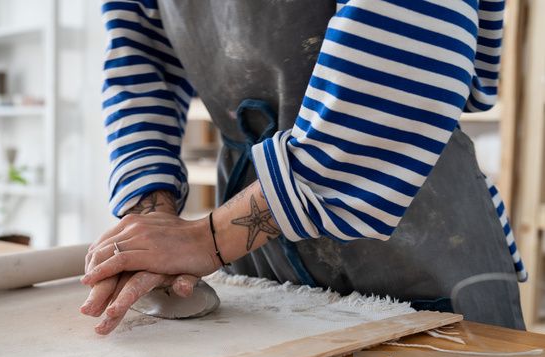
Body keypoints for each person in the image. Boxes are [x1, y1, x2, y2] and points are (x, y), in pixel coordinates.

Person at [80, 0, 527, 335]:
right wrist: (149, 209)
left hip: (412, 223)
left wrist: (211, 236)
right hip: (252, 244)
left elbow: (403, 34)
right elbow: (141, 56)